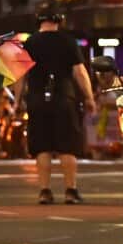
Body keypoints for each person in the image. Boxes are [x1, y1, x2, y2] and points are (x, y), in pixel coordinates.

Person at [22, 12, 96, 204]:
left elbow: (20, 75)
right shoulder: (68, 41)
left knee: (42, 147)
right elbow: (79, 72)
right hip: (65, 98)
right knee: (67, 147)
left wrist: (17, 100)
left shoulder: (30, 43)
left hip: (37, 99)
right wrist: (89, 97)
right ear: (59, 21)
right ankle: (70, 191)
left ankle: (44, 191)